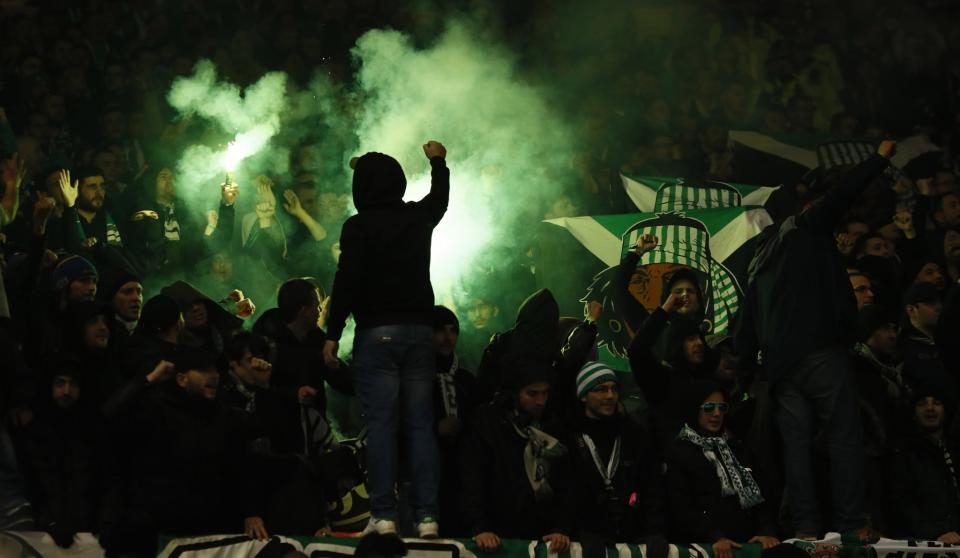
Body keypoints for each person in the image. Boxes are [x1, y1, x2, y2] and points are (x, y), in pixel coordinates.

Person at [735, 140, 896, 540]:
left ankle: (806, 526)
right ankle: (852, 522)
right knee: (843, 435)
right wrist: (878, 159)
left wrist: (743, 378)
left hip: (781, 367)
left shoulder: (758, 263)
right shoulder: (803, 229)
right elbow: (843, 194)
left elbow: (745, 327)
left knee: (797, 445)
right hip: (821, 351)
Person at [322, 141, 449, 537]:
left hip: (376, 334)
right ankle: (428, 518)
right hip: (418, 332)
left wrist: (333, 331)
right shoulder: (416, 218)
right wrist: (438, 162)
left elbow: (347, 280)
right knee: (420, 427)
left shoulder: (357, 227)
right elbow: (440, 201)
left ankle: (384, 516)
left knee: (380, 426)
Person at [100, 351, 263, 555]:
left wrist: (250, 512)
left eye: (215, 370)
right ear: (181, 379)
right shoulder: (155, 409)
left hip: (202, 528)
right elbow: (109, 416)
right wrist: (148, 379)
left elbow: (240, 461)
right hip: (150, 530)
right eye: (204, 370)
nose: (214, 375)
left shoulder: (222, 415)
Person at [665, 381, 800, 558]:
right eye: (709, 407)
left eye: (722, 407)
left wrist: (766, 530)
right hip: (704, 547)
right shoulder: (681, 452)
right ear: (695, 409)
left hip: (747, 543)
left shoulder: (737, 448)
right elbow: (681, 508)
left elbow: (764, 495)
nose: (717, 413)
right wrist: (714, 536)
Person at [460, 361, 573, 552]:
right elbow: (471, 478)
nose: (540, 401)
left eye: (545, 393)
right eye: (532, 393)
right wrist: (479, 528)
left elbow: (566, 483)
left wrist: (560, 529)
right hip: (494, 536)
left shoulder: (552, 426)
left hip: (541, 536)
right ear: (513, 394)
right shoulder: (486, 423)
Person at [568, 362, 667, 558]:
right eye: (600, 390)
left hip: (633, 538)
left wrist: (653, 531)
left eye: (614, 389)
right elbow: (566, 493)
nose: (610, 396)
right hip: (586, 541)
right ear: (583, 395)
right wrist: (577, 532)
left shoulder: (634, 435)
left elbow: (652, 487)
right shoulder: (569, 437)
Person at [20, 361, 105, 549]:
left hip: (92, 533)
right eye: (60, 383)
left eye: (73, 384)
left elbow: (107, 479)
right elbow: (30, 483)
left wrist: (106, 521)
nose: (66, 391)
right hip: (44, 534)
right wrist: (48, 522)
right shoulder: (35, 433)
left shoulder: (94, 431)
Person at [885, 388, 960, 542]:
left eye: (937, 403)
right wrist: (936, 534)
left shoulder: (955, 449)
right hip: (923, 543)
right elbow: (901, 502)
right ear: (913, 413)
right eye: (922, 403)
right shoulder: (902, 452)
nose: (930, 408)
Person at [431, 305, 480, 537]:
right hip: (422, 474)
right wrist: (435, 429)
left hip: (460, 475)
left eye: (453, 331)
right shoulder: (413, 378)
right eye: (440, 330)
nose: (448, 337)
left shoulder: (466, 380)